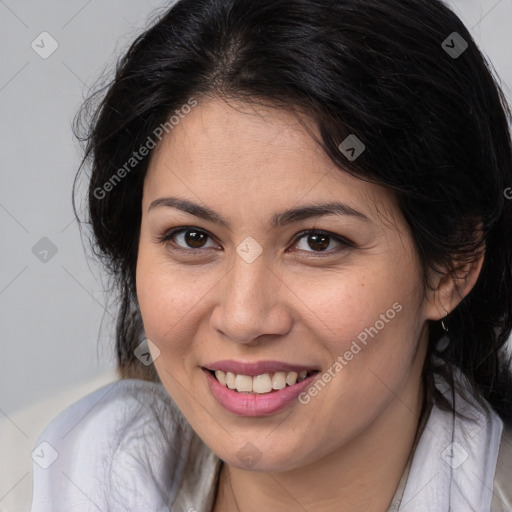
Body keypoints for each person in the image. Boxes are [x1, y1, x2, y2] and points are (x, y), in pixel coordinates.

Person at [29, 0, 512, 510]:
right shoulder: (42, 476)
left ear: (451, 265)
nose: (243, 318)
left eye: (317, 241)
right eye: (193, 238)